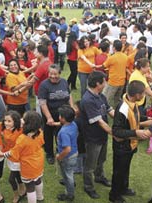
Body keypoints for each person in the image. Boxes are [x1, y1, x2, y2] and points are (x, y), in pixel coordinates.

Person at [109, 80, 146, 203]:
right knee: (119, 172)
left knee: (125, 169)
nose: (143, 96)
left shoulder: (132, 102)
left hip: (129, 145)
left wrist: (147, 119)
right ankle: (114, 195)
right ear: (137, 95)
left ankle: (123, 188)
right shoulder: (123, 108)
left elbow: (135, 117)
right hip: (121, 147)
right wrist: (136, 133)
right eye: (143, 93)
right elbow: (117, 131)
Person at [0, 111, 45, 203]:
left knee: (30, 187)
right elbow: (42, 143)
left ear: (28, 123)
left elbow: (13, 153)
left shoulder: (22, 139)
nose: (21, 120)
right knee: (38, 180)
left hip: (28, 165)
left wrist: (2, 154)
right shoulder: (40, 132)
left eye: (23, 119)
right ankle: (40, 197)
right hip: (38, 162)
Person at [81, 71, 114, 199]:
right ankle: (88, 187)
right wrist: (114, 133)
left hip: (102, 136)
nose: (106, 83)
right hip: (93, 138)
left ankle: (99, 177)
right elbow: (100, 122)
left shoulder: (100, 95)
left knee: (101, 159)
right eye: (104, 81)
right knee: (90, 165)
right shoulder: (88, 100)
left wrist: (122, 119)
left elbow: (110, 110)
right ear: (97, 84)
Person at [38, 64, 73, 164]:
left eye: (55, 74)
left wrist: (72, 107)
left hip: (63, 114)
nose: (53, 76)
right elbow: (42, 103)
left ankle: (61, 150)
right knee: (48, 134)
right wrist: (49, 117)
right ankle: (49, 153)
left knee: (62, 133)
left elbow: (69, 95)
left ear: (60, 74)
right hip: (50, 113)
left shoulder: (64, 82)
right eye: (50, 74)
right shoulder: (44, 85)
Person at [1, 111, 26, 203]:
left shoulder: (20, 131)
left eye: (9, 121)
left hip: (17, 158)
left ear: (15, 121)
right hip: (10, 157)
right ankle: (22, 189)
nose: (6, 123)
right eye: (5, 120)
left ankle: (16, 195)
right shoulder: (4, 129)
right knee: (16, 174)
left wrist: (22, 121)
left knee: (11, 179)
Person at [56, 105, 78, 201]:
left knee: (67, 175)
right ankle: (70, 182)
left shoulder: (64, 132)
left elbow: (67, 149)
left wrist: (59, 157)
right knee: (70, 172)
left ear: (63, 119)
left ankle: (69, 194)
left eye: (60, 115)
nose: (59, 116)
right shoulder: (73, 124)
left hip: (67, 157)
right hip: (75, 153)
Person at [99, 40, 128, 108]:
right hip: (122, 81)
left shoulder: (112, 58)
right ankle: (120, 111)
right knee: (117, 99)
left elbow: (104, 66)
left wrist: (95, 66)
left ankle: (103, 111)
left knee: (105, 97)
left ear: (114, 48)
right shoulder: (125, 56)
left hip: (113, 82)